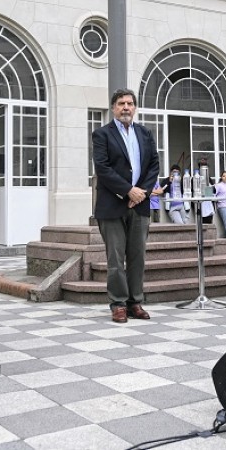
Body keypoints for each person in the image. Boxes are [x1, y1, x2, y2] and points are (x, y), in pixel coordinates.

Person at [92, 88, 160, 323]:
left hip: (139, 206)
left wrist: (141, 193)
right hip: (112, 206)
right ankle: (118, 303)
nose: (126, 107)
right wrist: (127, 190)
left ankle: (135, 302)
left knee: (137, 257)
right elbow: (102, 168)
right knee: (115, 258)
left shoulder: (145, 133)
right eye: (121, 103)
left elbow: (154, 165)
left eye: (130, 103)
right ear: (113, 108)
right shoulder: (102, 134)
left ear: (135, 107)